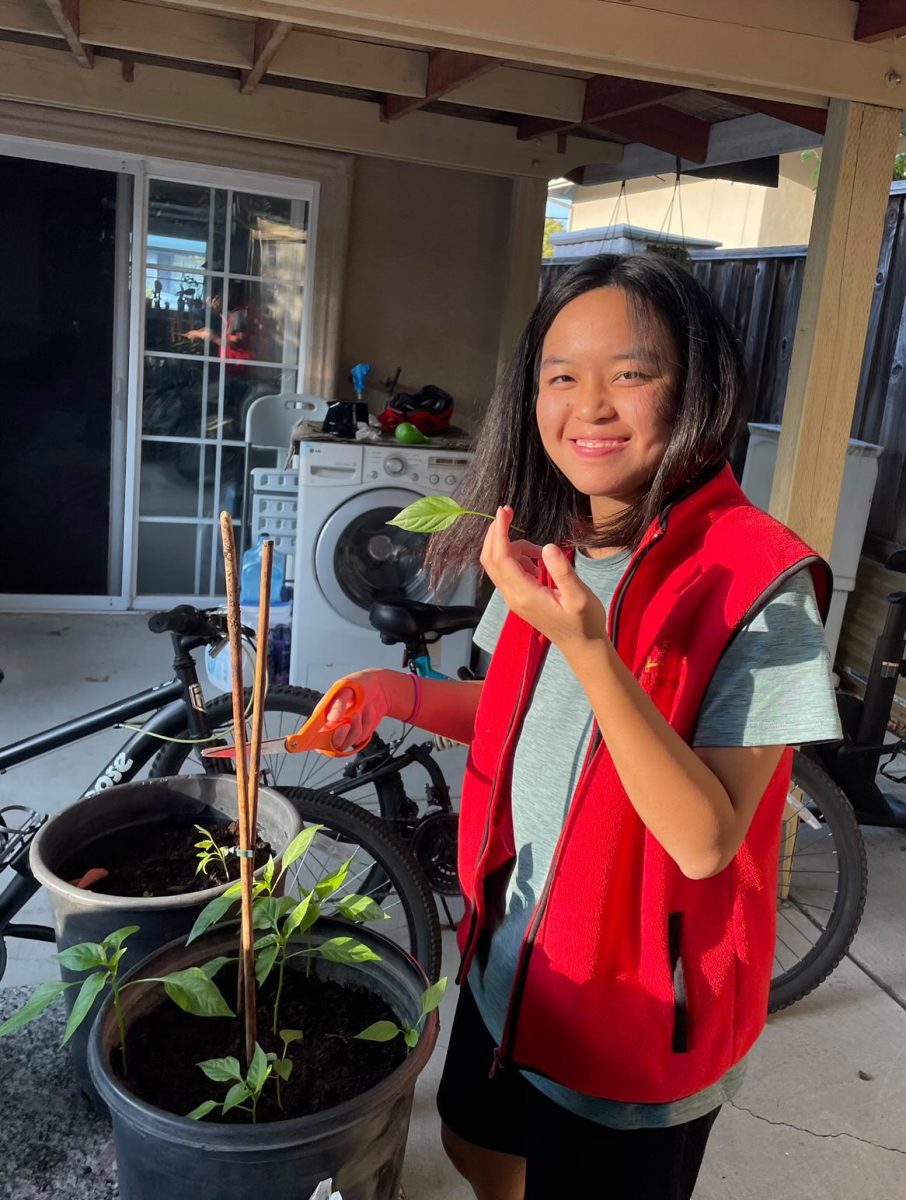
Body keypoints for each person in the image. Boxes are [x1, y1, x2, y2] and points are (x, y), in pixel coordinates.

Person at [318, 254, 842, 1199]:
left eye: (631, 373)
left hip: (634, 1002)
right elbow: (519, 718)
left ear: (697, 388)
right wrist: (397, 697)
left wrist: (592, 651)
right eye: (562, 376)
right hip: (510, 955)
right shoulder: (549, 542)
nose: (589, 406)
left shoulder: (761, 585)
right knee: (480, 1152)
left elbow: (706, 837)